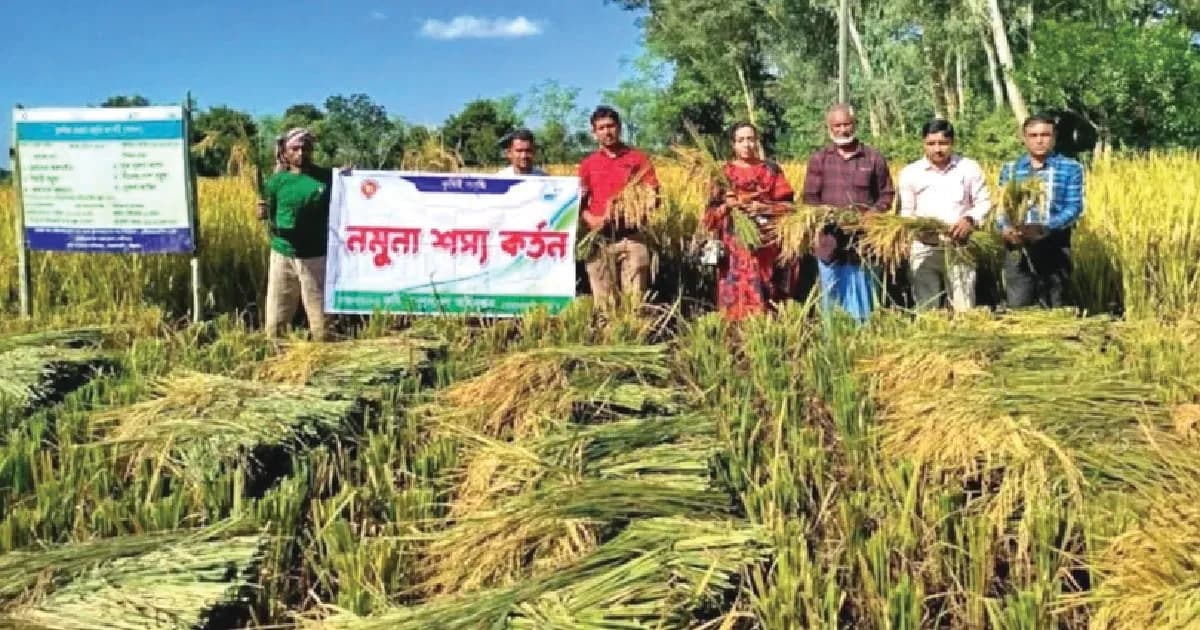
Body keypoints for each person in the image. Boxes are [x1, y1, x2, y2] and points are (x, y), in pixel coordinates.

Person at [802, 103, 895, 322]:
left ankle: (863, 340)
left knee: (863, 301)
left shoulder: (873, 158)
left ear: (855, 125)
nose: (843, 130)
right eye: (837, 126)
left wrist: (873, 214)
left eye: (847, 124)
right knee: (831, 298)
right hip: (829, 241)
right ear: (829, 128)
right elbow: (810, 198)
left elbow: (886, 194)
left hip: (863, 244)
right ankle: (834, 340)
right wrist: (826, 215)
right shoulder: (819, 159)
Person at [703, 122, 795, 321]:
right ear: (733, 145)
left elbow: (789, 207)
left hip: (765, 243)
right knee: (733, 293)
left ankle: (764, 334)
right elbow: (708, 218)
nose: (747, 144)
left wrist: (764, 208)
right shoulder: (722, 173)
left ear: (757, 142)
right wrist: (727, 206)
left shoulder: (771, 170)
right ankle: (734, 339)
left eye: (751, 139)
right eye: (741, 140)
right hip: (732, 247)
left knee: (765, 287)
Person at [898, 119, 990, 312]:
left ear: (952, 143)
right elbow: (906, 212)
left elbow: (984, 202)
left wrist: (970, 220)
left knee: (964, 307)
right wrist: (919, 228)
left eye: (943, 143)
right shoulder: (910, 173)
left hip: (960, 247)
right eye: (931, 144)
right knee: (926, 307)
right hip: (924, 249)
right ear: (923, 143)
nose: (937, 149)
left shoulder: (969, 168)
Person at [997, 114, 1085, 308]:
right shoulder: (1010, 170)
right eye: (1033, 135)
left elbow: (1074, 207)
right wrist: (1006, 228)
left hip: (1054, 244)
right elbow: (1003, 208)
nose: (1039, 140)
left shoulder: (1070, 168)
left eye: (1045, 135)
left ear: (1054, 138)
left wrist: (1044, 228)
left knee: (1055, 304)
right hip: (1017, 246)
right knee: (1019, 305)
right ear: (1024, 138)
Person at [577, 106, 660, 309]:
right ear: (594, 133)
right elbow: (578, 204)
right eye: (601, 128)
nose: (607, 132)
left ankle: (633, 334)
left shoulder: (638, 159)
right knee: (603, 302)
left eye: (611, 126)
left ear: (619, 127)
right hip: (599, 240)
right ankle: (609, 337)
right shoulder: (588, 164)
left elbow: (653, 196)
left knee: (635, 301)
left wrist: (637, 209)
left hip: (632, 238)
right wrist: (593, 220)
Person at [255, 127, 331, 341]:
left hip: (315, 255)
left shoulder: (326, 179)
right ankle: (275, 352)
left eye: (305, 148)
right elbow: (267, 210)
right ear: (285, 152)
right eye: (295, 148)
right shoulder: (276, 182)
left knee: (320, 315)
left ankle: (323, 353)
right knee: (277, 312)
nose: (300, 153)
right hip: (282, 253)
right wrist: (261, 212)